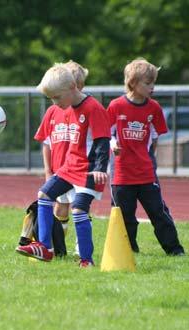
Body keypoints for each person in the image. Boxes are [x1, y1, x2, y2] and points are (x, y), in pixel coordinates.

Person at [16, 63, 111, 267]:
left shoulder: (94, 108)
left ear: (72, 88)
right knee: (44, 195)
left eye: (57, 97)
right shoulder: (66, 108)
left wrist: (100, 169)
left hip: (89, 169)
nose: (54, 102)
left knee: (78, 210)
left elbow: (103, 140)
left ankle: (86, 260)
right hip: (69, 167)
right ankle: (45, 248)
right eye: (51, 98)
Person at [108, 58, 185, 256]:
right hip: (121, 174)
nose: (152, 87)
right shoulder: (116, 106)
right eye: (147, 83)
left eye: (153, 83)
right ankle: (129, 250)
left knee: (159, 213)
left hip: (146, 173)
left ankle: (175, 250)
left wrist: (148, 158)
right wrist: (114, 145)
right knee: (125, 216)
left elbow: (155, 137)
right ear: (133, 82)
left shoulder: (154, 108)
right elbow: (107, 134)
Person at [34, 60, 89, 255]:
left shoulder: (85, 110)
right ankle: (58, 245)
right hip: (59, 171)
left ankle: (80, 249)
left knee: (80, 208)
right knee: (60, 209)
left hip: (79, 170)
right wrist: (48, 170)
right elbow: (46, 142)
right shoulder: (52, 112)